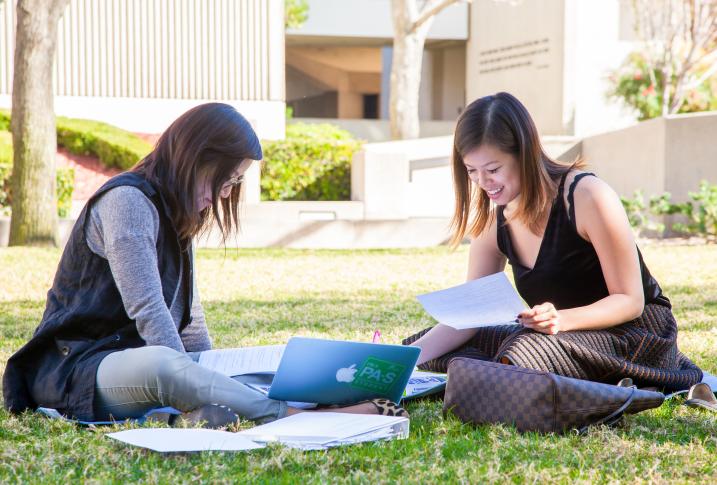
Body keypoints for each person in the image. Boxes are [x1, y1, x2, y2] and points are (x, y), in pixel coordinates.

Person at [3, 103, 405, 427]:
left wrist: (213, 372)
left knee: (251, 367)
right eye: (226, 180)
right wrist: (196, 378)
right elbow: (149, 311)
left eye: (234, 184)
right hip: (77, 369)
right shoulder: (126, 202)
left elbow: (189, 320)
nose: (223, 195)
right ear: (195, 159)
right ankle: (296, 417)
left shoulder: (176, 213)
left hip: (138, 366)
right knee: (166, 366)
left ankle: (194, 414)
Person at [404, 92, 702, 392]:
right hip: (558, 337)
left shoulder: (587, 196)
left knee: (523, 353)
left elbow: (630, 301)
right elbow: (471, 317)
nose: (483, 183)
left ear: (524, 153)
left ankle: (507, 374)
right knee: (428, 347)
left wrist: (561, 319)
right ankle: (500, 373)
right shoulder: (494, 221)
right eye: (472, 172)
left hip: (634, 333)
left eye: (493, 170)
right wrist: (401, 360)